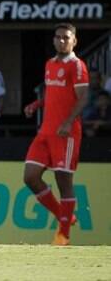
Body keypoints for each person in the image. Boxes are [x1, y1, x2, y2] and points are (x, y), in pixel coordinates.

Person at [23, 23, 89, 246]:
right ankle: (66, 215)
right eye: (58, 37)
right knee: (30, 177)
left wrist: (69, 122)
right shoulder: (50, 64)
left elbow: (83, 98)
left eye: (66, 38)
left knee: (64, 182)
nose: (62, 41)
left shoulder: (77, 66)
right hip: (46, 132)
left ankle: (63, 236)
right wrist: (37, 104)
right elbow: (56, 96)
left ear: (74, 41)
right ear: (53, 40)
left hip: (66, 134)